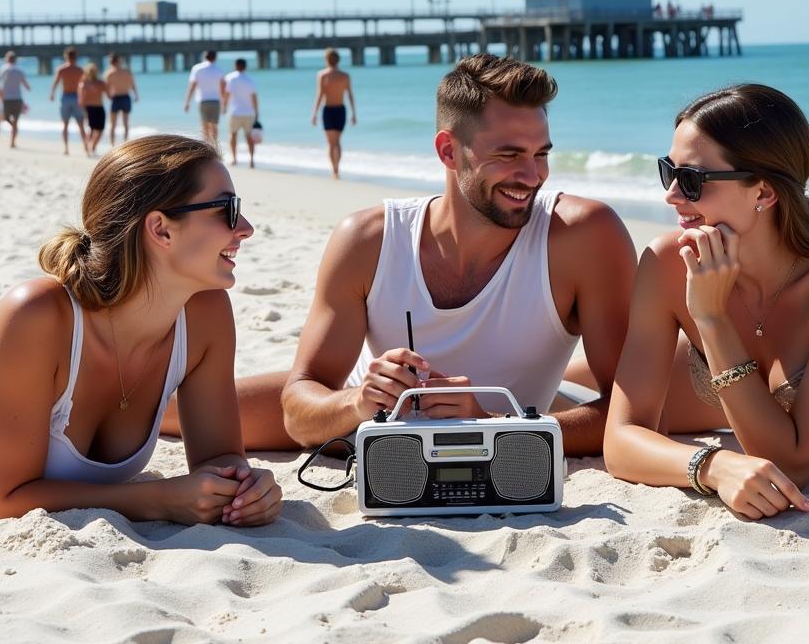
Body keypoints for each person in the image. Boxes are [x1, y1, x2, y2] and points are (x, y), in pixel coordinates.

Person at [272, 53, 637, 456]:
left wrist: (493, 426)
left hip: (519, 420)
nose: (532, 176)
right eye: (509, 155)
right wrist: (357, 400)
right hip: (358, 407)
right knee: (191, 412)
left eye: (541, 154)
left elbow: (633, 417)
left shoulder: (585, 236)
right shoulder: (366, 240)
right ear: (448, 151)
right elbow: (297, 413)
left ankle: (563, 389)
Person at [602, 83, 809, 521]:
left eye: (693, 180)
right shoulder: (668, 262)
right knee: (578, 379)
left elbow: (793, 466)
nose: (672, 195)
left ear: (763, 193)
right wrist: (713, 465)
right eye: (669, 171)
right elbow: (621, 440)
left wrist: (713, 319)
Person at [0, 135, 282, 526]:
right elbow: (6, 502)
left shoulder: (206, 312)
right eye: (228, 209)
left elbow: (218, 458)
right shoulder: (35, 313)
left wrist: (246, 487)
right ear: (161, 229)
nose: (245, 228)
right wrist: (160, 498)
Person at [311, 48, 356, 178]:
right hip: (341, 110)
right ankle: (337, 168)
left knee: (331, 143)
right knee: (337, 142)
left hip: (329, 110)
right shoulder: (345, 76)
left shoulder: (322, 75)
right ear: (338, 60)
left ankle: (334, 170)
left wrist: (314, 114)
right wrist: (354, 114)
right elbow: (350, 95)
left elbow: (319, 95)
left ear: (326, 60)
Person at [49, 47, 89, 156]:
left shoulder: (61, 69)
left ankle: (66, 148)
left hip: (66, 96)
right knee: (81, 124)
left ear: (66, 56)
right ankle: (86, 148)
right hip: (77, 97)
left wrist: (52, 94)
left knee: (65, 124)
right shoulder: (80, 70)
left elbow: (55, 83)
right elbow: (85, 86)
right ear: (76, 57)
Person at [223, 58, 261, 168]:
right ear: (245, 66)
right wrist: (257, 111)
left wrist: (224, 107)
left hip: (234, 112)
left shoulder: (230, 77)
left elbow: (227, 94)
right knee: (249, 137)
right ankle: (252, 160)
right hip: (249, 112)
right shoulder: (250, 80)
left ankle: (234, 159)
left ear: (236, 65)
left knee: (233, 135)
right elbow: (254, 97)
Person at [184, 50, 225, 149]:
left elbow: (192, 86)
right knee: (214, 126)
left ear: (204, 57)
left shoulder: (197, 68)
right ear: (215, 58)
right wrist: (224, 104)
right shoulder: (219, 70)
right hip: (215, 101)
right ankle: (215, 147)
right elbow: (222, 88)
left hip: (203, 100)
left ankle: (206, 147)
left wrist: (187, 101)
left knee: (204, 125)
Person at [0, 51, 31, 149]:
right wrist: (28, 88)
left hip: (6, 98)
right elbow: (26, 85)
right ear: (15, 59)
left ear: (7, 59)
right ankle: (13, 140)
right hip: (17, 98)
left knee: (5, 118)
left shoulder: (4, 69)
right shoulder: (19, 70)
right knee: (16, 120)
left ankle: (12, 138)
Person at [105, 53, 139, 146]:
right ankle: (125, 143)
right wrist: (136, 95)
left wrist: (108, 96)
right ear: (119, 61)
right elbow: (133, 85)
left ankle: (112, 145)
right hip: (125, 97)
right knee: (125, 123)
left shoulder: (109, 73)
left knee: (113, 124)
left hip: (116, 98)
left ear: (111, 62)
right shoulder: (127, 72)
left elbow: (106, 88)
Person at [78, 63, 108, 156]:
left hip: (99, 107)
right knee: (92, 129)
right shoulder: (84, 83)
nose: (92, 73)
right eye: (91, 71)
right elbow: (81, 100)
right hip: (90, 108)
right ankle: (88, 148)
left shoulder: (100, 83)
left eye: (93, 71)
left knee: (100, 129)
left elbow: (108, 94)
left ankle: (92, 147)